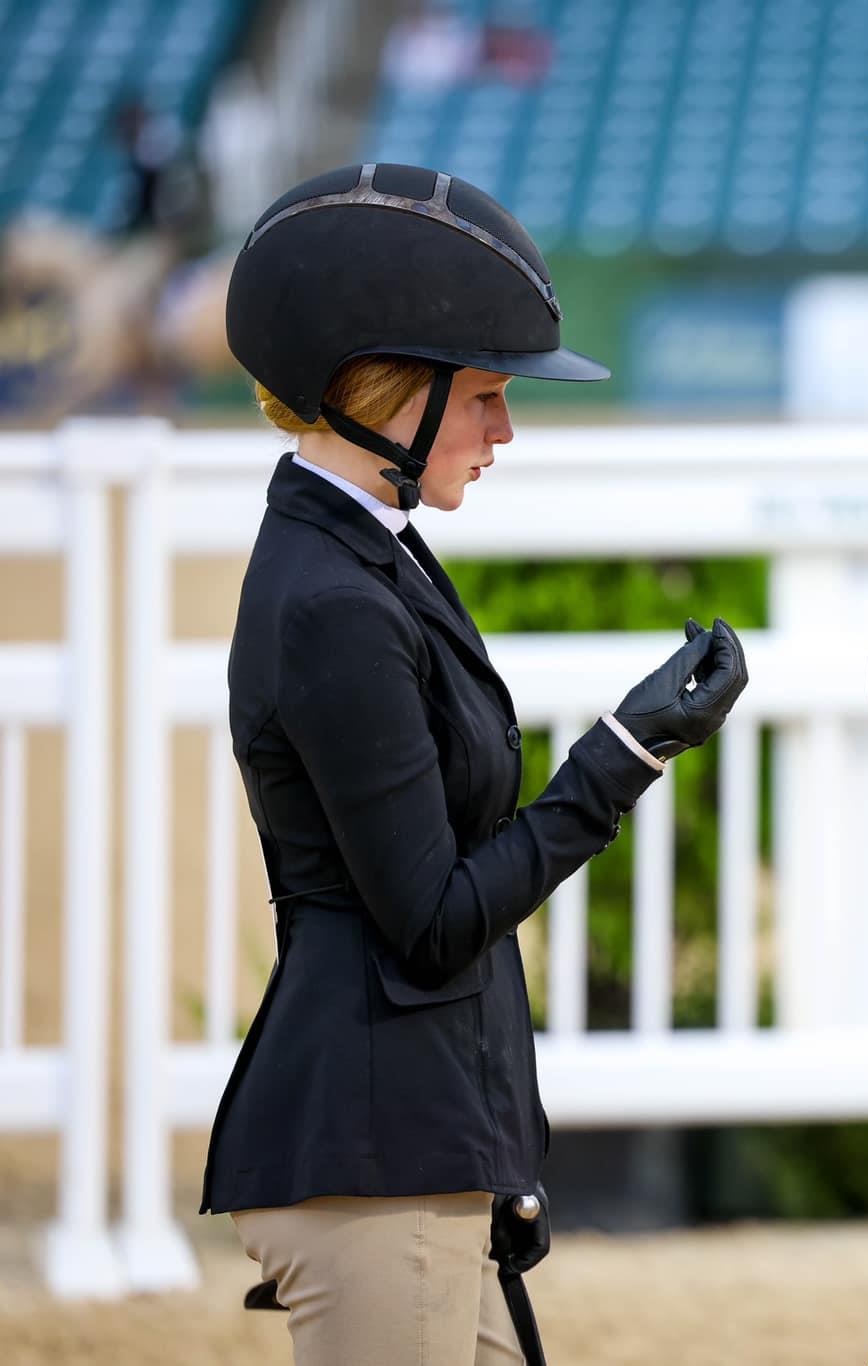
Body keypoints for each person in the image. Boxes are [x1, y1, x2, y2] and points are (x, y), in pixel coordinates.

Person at [201, 162, 748, 1365]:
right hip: (374, 1153)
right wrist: (623, 753)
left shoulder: (368, 553)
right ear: (377, 391)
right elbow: (434, 918)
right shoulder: (332, 600)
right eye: (486, 395)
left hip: (424, 1142)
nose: (504, 429)